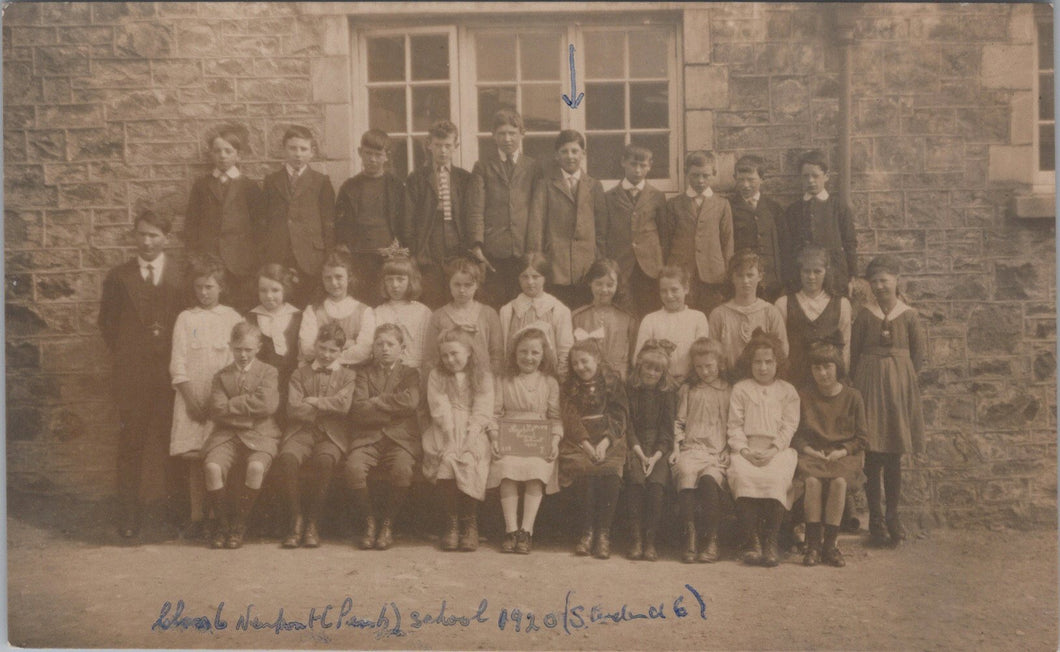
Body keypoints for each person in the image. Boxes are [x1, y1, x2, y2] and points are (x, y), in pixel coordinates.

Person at [98, 210, 185, 538]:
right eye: (142, 235)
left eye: (154, 236)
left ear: (167, 238)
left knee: (172, 443)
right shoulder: (119, 277)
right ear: (134, 237)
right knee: (131, 444)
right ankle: (128, 518)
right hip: (132, 377)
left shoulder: (180, 275)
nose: (147, 242)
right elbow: (107, 325)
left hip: (169, 376)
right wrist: (129, 354)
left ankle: (175, 517)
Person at [850, 255, 925, 547]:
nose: (880, 286)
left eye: (885, 280)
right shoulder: (865, 315)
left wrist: (900, 376)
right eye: (874, 281)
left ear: (896, 280)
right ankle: (876, 518)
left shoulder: (909, 315)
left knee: (893, 453)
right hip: (869, 385)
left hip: (897, 388)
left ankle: (893, 514)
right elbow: (854, 354)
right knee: (872, 455)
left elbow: (917, 356)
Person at [168, 254, 244, 538]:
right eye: (199, 287)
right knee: (194, 459)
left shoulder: (232, 318)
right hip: (192, 398)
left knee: (218, 455)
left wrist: (219, 401)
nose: (203, 292)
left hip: (221, 399)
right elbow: (178, 363)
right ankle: (197, 515)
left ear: (221, 287)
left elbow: (237, 362)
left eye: (209, 287)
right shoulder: (186, 319)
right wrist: (189, 399)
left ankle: (219, 514)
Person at [273, 323, 358, 549]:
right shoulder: (300, 373)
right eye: (322, 348)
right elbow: (293, 408)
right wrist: (330, 404)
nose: (327, 354)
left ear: (341, 352)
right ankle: (296, 521)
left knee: (325, 461)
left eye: (333, 350)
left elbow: (344, 406)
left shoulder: (348, 375)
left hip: (331, 435)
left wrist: (315, 401)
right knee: (288, 458)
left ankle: (313, 522)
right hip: (301, 431)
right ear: (315, 346)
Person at [202, 322, 281, 549]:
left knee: (256, 467)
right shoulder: (221, 376)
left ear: (258, 348)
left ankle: (239, 524)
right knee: (212, 468)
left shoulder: (268, 372)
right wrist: (248, 412)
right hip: (227, 435)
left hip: (261, 433)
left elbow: (267, 406)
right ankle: (223, 524)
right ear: (230, 347)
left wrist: (232, 406)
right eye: (238, 349)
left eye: (248, 349)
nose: (243, 355)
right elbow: (216, 409)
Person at [727, 329, 800, 568]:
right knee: (742, 476)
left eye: (769, 362)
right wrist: (745, 450)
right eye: (757, 362)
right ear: (750, 363)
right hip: (746, 448)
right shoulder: (741, 389)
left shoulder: (787, 391)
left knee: (776, 479)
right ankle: (753, 542)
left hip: (776, 450)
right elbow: (734, 425)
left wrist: (773, 449)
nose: (763, 367)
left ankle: (770, 543)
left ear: (777, 362)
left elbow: (789, 425)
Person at [345, 323, 422, 550]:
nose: (385, 349)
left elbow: (411, 402)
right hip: (368, 436)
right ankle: (370, 523)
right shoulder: (363, 373)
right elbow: (358, 409)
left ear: (402, 348)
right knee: (354, 469)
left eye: (391, 344)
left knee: (403, 469)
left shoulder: (410, 374)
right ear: (373, 348)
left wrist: (377, 401)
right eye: (380, 344)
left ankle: (387, 524)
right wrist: (392, 409)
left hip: (400, 438)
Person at [486, 325, 562, 555]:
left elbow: (556, 417)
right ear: (514, 354)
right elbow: (494, 413)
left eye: (535, 353)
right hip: (509, 437)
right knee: (507, 469)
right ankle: (510, 529)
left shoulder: (549, 383)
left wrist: (555, 441)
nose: (528, 358)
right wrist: (495, 438)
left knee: (535, 471)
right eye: (523, 352)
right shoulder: (504, 380)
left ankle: (526, 531)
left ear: (543, 355)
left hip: (539, 439)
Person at [794, 340, 868, 567]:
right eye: (817, 368)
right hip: (813, 454)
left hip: (842, 456)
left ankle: (831, 545)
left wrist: (842, 451)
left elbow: (861, 438)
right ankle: (813, 544)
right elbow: (797, 435)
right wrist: (809, 450)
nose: (823, 373)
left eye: (828, 367)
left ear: (838, 367)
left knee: (838, 482)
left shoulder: (852, 396)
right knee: (813, 483)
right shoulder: (804, 396)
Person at [421, 328, 495, 551]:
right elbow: (439, 406)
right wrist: (451, 438)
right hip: (445, 427)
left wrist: (471, 436)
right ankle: (451, 523)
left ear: (469, 352)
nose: (450, 360)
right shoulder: (437, 375)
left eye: (455, 354)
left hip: (474, 427)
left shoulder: (482, 375)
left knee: (471, 459)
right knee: (447, 458)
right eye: (445, 356)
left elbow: (483, 408)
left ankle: (469, 523)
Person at [401, 119, 486, 308]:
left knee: (458, 295)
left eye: (448, 145)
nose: (443, 151)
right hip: (429, 246)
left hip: (458, 246)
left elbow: (472, 213)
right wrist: (414, 252)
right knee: (432, 296)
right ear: (429, 145)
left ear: (456, 146)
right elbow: (408, 220)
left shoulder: (464, 178)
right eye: (438, 145)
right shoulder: (417, 178)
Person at [558, 339, 630, 560]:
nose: (580, 367)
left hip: (609, 439)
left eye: (584, 361)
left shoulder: (612, 381)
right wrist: (587, 445)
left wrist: (605, 442)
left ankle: (603, 534)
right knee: (585, 468)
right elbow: (569, 418)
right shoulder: (569, 385)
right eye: (575, 363)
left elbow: (619, 414)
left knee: (610, 470)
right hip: (580, 441)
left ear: (597, 359)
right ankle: (587, 532)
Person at [183, 125, 263, 311]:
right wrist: (195, 258)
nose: (223, 156)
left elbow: (260, 227)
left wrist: (253, 261)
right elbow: (191, 225)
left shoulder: (249, 186)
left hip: (240, 265)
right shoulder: (202, 185)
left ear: (238, 155)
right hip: (209, 262)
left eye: (228, 151)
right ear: (211, 154)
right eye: (217, 151)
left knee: (239, 307)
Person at [472, 108, 542, 308]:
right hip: (494, 251)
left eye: (512, 133)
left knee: (524, 304)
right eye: (501, 133)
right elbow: (476, 209)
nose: (507, 139)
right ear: (493, 136)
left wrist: (534, 250)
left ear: (522, 133)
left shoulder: (534, 167)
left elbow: (537, 211)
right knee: (496, 304)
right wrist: (477, 245)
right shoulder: (483, 166)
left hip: (524, 250)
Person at [529, 129, 607, 308]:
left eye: (575, 151)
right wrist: (538, 263)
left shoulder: (594, 186)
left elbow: (601, 230)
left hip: (586, 267)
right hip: (556, 266)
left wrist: (598, 263)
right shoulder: (545, 185)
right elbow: (536, 226)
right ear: (556, 156)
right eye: (564, 151)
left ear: (583, 154)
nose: (570, 156)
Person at [670, 337, 731, 564]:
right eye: (699, 367)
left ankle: (711, 540)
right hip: (690, 448)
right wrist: (676, 446)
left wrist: (730, 449)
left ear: (720, 364)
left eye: (709, 366)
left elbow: (734, 424)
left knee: (708, 479)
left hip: (716, 451)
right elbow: (679, 422)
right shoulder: (688, 390)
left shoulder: (728, 390)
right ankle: (690, 538)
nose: (705, 371)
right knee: (685, 472)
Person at [261, 125, 336, 307]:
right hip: (280, 254)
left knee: (309, 303)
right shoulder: (272, 181)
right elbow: (264, 221)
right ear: (284, 150)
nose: (298, 154)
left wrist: (328, 257)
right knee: (280, 303)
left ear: (312, 152)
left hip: (311, 257)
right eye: (292, 148)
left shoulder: (321, 182)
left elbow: (329, 223)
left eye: (303, 149)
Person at [334, 129, 406, 306]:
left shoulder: (396, 186)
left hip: (388, 259)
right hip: (359, 259)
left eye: (378, 154)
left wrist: (398, 246)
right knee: (362, 304)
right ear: (360, 153)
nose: (373, 159)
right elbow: (340, 226)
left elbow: (405, 222)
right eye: (368, 154)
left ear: (386, 156)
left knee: (388, 304)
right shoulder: (349, 187)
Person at [624, 342, 677, 561]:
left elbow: (667, 430)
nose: (652, 373)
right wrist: (639, 453)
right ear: (640, 367)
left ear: (663, 373)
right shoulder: (629, 389)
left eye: (657, 370)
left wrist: (655, 457)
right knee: (636, 481)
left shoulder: (667, 393)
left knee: (656, 485)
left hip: (658, 449)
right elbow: (627, 426)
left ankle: (650, 541)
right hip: (633, 446)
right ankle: (635, 540)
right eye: (649, 368)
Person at [602, 144, 669, 317]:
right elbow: (604, 232)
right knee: (624, 312)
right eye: (633, 164)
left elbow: (664, 234)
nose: (638, 170)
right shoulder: (609, 197)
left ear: (650, 165)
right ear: (623, 162)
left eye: (643, 165)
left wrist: (660, 263)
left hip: (650, 268)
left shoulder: (657, 196)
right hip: (621, 265)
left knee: (650, 311)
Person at [779, 149, 857, 297]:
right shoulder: (793, 210)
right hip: (802, 279)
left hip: (834, 275)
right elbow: (787, 248)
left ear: (826, 176)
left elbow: (850, 243)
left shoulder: (838, 207)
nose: (810, 181)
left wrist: (852, 276)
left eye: (815, 176)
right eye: (805, 176)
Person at [665, 150, 733, 316]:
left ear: (714, 174)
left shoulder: (722, 204)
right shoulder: (674, 204)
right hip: (682, 273)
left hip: (713, 274)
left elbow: (727, 242)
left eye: (705, 175)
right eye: (695, 175)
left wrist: (727, 274)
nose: (700, 180)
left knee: (711, 315)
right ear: (687, 173)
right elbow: (666, 241)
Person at [775, 245, 852, 389]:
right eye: (806, 271)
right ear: (799, 272)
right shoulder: (783, 303)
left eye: (817, 272)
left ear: (826, 272)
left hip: (828, 381)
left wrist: (841, 378)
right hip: (795, 380)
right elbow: (780, 348)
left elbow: (845, 346)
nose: (811, 277)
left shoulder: (841, 304)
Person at [709, 249, 789, 376]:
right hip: (729, 381)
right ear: (732, 278)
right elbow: (712, 354)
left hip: (764, 381)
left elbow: (782, 351)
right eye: (740, 275)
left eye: (750, 275)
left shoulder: (770, 312)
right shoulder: (719, 314)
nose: (745, 281)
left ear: (760, 276)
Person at [422, 255, 504, 376]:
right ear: (449, 284)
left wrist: (489, 381)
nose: (462, 290)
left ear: (476, 285)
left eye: (468, 285)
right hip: (449, 381)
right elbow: (431, 357)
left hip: (482, 380)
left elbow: (497, 355)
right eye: (457, 284)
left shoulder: (489, 314)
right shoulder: (438, 316)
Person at [499, 253, 573, 377]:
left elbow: (565, 350)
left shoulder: (558, 309)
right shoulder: (508, 310)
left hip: (549, 380)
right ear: (518, 278)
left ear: (545, 278)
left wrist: (561, 379)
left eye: (535, 276)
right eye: (524, 277)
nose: (530, 282)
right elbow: (503, 350)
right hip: (515, 380)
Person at [297, 250, 375, 367]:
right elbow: (307, 349)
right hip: (317, 374)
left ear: (349, 277)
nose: (333, 283)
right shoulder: (313, 311)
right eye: (328, 278)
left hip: (353, 375)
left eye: (339, 277)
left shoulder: (364, 312)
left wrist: (325, 351)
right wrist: (348, 344)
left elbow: (364, 351)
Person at [634, 265, 710, 382]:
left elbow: (702, 355)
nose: (669, 296)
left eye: (674, 290)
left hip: (689, 382)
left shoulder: (698, 317)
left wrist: (689, 380)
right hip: (657, 384)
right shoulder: (650, 319)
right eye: (664, 291)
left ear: (686, 289)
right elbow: (638, 358)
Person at [247, 263, 303, 414]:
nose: (269, 296)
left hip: (292, 384)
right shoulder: (250, 318)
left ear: (285, 289)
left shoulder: (298, 317)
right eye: (263, 290)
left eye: (275, 290)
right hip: (260, 387)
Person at [729, 155, 783, 301]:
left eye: (751, 180)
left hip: (772, 281)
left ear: (762, 179)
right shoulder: (729, 208)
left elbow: (783, 246)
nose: (745, 185)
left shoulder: (774, 208)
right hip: (743, 281)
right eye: (741, 180)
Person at [571, 258, 636, 380]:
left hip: (618, 381)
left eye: (610, 285)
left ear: (617, 285)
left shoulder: (627, 318)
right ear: (590, 283)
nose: (604, 290)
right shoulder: (577, 317)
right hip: (586, 380)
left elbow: (633, 356)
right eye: (599, 284)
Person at [372, 252, 433, 370]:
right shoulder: (377, 312)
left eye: (400, 279)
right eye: (389, 280)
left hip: (416, 372)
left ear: (410, 281)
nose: (395, 285)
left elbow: (430, 352)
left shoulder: (423, 312)